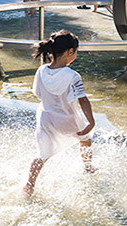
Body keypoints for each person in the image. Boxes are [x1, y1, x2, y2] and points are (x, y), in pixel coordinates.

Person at [23, 30, 97, 196]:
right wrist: (91, 122)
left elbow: (38, 94)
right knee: (85, 138)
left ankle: (29, 185)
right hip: (67, 119)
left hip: (46, 117)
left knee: (42, 154)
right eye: (76, 52)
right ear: (71, 52)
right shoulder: (73, 75)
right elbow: (82, 99)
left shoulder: (41, 71)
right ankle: (88, 167)